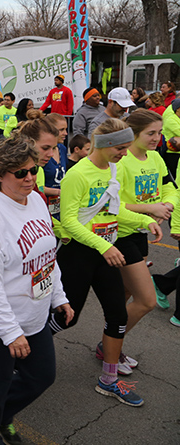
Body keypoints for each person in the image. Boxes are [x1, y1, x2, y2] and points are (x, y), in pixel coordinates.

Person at [0, 136, 73, 445]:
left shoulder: (34, 199)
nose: (30, 178)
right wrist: (9, 332)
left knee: (41, 376)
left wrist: (58, 296)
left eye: (33, 170)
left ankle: (0, 415)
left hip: (32, 311)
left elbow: (47, 252)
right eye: (20, 172)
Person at [49, 118, 161, 407]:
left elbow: (115, 209)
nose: (124, 154)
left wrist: (144, 220)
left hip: (105, 251)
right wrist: (101, 245)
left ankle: (109, 380)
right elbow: (69, 221)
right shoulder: (78, 174)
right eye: (120, 148)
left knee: (118, 315)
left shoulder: (114, 169)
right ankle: (22, 345)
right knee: (65, 319)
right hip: (79, 254)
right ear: (106, 144)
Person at [107, 109, 177, 372]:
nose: (157, 138)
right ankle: (110, 346)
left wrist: (165, 205)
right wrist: (150, 212)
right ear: (133, 134)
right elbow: (116, 206)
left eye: (159, 132)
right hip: (121, 235)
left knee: (125, 295)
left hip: (140, 234)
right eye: (151, 133)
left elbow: (170, 187)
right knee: (146, 300)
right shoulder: (121, 163)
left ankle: (112, 344)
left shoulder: (157, 158)